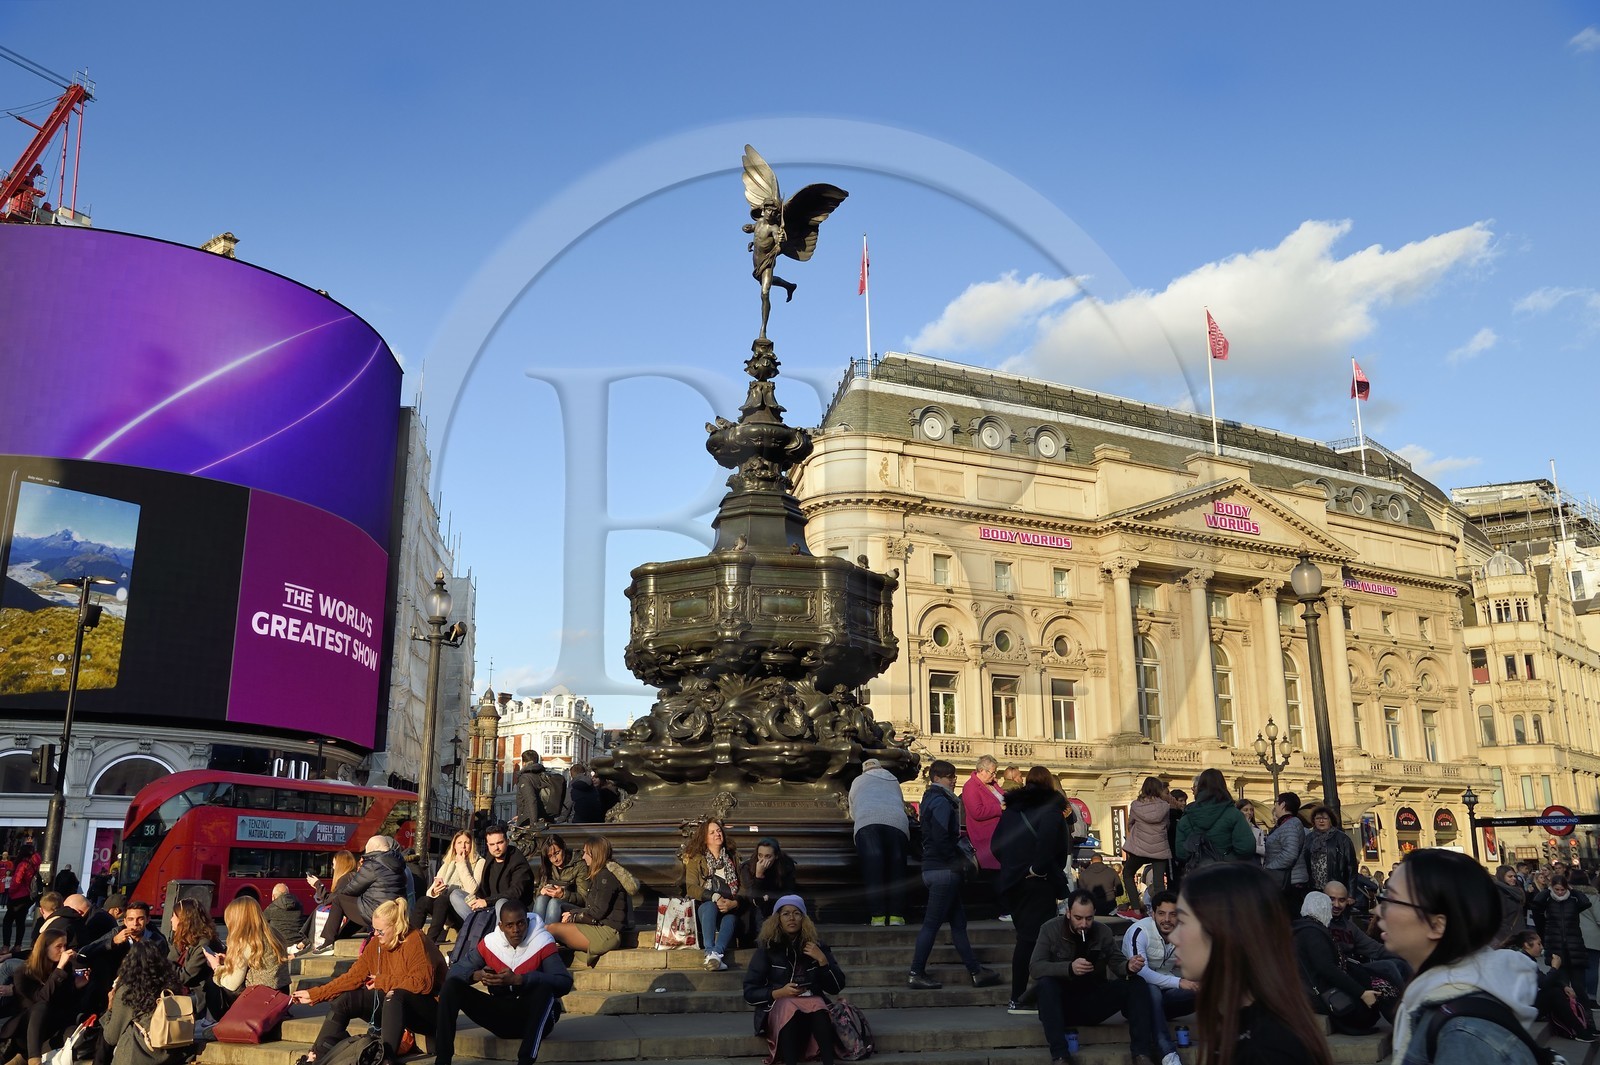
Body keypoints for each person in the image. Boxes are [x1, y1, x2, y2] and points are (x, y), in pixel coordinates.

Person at [1381, 848, 1541, 1065]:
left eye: (1391, 899)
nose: (1377, 910)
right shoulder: (1434, 996)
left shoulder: (1465, 1035)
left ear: (1437, 925)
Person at [1170, 863, 1335, 1065]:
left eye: (1182, 921)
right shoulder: (1242, 1025)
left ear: (1226, 930)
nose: (1173, 937)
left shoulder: (1267, 1051)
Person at [290, 898, 445, 1065]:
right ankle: (316, 1056)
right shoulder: (376, 944)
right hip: (392, 1007)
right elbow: (353, 977)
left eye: (380, 931)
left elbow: (421, 983)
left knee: (395, 995)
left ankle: (385, 1059)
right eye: (374, 929)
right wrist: (316, 994)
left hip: (431, 1012)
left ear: (396, 927)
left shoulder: (415, 940)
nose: (376, 935)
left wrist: (383, 981)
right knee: (345, 1001)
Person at [432, 900, 572, 1065]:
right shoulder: (491, 943)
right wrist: (477, 975)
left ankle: (525, 1060)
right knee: (451, 987)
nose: (516, 930)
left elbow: (564, 982)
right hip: (501, 1014)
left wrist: (521, 979)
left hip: (534, 1017)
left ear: (527, 921)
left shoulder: (542, 941)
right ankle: (442, 1060)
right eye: (509, 925)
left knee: (545, 990)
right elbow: (453, 973)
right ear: (500, 926)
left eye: (520, 923)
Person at [1029, 889, 1159, 1065]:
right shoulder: (1050, 929)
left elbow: (1117, 963)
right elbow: (1035, 967)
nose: (1083, 924)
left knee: (1136, 983)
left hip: (1093, 999)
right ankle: (1060, 1056)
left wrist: (1129, 966)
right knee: (1046, 984)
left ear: (1094, 914)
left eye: (1089, 918)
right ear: (1068, 913)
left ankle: (1141, 1053)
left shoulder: (1102, 932)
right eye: (1078, 918)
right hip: (1060, 1005)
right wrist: (1069, 968)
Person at [907, 760, 1002, 991]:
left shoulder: (930, 799)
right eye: (949, 776)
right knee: (931, 924)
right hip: (943, 871)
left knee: (959, 923)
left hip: (936, 868)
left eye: (953, 775)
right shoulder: (941, 802)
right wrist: (956, 861)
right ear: (937, 778)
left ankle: (976, 971)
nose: (954, 779)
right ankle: (916, 972)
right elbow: (941, 837)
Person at [992, 765, 1070, 1013]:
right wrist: (1037, 868)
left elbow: (996, 846)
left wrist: (1013, 866)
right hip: (1038, 883)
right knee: (1034, 942)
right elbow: (1055, 846)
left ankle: (1025, 995)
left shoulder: (1012, 810)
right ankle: (1022, 997)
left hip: (1013, 883)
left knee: (1026, 939)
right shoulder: (1051, 812)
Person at [743, 896, 846, 1065]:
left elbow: (836, 987)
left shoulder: (816, 946)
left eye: (797, 913)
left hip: (811, 1011)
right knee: (788, 1004)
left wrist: (822, 961)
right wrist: (778, 993)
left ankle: (829, 1062)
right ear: (778, 919)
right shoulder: (767, 948)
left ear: (803, 919)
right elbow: (749, 992)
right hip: (777, 1010)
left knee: (818, 1004)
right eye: (786, 914)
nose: (791, 918)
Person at [1122, 891, 1196, 1065]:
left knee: (1206, 988)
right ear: (1152, 913)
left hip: (1166, 998)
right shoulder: (1140, 931)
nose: (1167, 919)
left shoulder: (1182, 933)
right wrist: (1179, 982)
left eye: (1172, 914)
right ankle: (1168, 1054)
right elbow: (1142, 973)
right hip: (1137, 999)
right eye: (1161, 914)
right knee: (1151, 990)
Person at [1292, 891, 1380, 1034]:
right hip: (1319, 995)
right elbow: (1327, 969)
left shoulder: (1302, 929)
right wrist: (1362, 993)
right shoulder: (1312, 932)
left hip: (1310, 992)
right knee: (1372, 1005)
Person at [305, 834, 408, 955]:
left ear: (372, 849)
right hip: (392, 911)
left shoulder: (373, 865)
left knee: (340, 900)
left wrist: (334, 892)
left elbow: (352, 889)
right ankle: (339, 937)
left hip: (376, 912)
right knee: (358, 905)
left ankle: (328, 943)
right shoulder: (397, 864)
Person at [0, 929, 86, 1065]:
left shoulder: (64, 970)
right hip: (25, 1031)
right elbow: (42, 999)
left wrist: (76, 987)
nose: (63, 950)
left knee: (75, 1034)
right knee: (41, 1006)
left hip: (51, 1027)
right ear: (45, 948)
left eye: (65, 945)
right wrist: (60, 968)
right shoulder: (24, 973)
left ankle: (23, 1059)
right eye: (58, 946)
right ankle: (33, 1060)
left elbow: (65, 1005)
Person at [100, 941, 191, 1065]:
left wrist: (110, 1008)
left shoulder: (128, 991)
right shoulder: (173, 988)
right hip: (172, 1055)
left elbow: (111, 1037)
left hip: (136, 1057)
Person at [201, 896, 288, 1021]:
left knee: (213, 981)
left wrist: (216, 967)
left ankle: (213, 1020)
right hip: (280, 994)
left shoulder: (246, 940)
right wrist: (228, 961)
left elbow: (232, 984)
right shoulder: (274, 934)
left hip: (257, 1000)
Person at [1502, 930, 1597, 1041]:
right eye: (1538, 944)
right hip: (1520, 1009)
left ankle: (1582, 1027)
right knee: (1554, 993)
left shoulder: (1523, 957)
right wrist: (1555, 967)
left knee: (1557, 990)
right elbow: (1544, 983)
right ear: (1527, 945)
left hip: (1524, 1003)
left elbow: (1542, 978)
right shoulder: (1520, 959)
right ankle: (1580, 1031)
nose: (1542, 947)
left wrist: (1564, 986)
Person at [848, 758, 909, 927]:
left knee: (873, 869)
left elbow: (852, 808)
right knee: (897, 869)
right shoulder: (893, 779)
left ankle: (878, 917)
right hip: (897, 824)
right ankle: (897, 916)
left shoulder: (858, 780)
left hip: (868, 823)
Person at [79, 900, 169, 1015]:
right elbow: (84, 952)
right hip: (110, 988)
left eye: (140, 919)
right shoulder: (117, 932)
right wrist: (113, 942)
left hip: (142, 991)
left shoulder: (157, 941)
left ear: (147, 920)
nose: (135, 923)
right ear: (125, 921)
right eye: (131, 919)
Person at [546, 837, 628, 959]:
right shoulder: (599, 874)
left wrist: (573, 914)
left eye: (586, 853)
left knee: (550, 929)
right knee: (549, 930)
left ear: (595, 854)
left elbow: (598, 911)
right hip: (598, 927)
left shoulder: (605, 877)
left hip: (607, 932)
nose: (583, 857)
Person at [681, 818, 746, 971]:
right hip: (705, 909)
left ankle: (715, 954)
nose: (717, 834)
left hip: (728, 907)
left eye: (718, 831)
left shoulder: (732, 858)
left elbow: (743, 887)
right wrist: (713, 896)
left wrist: (734, 903)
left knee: (731, 919)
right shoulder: (696, 859)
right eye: (712, 832)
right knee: (709, 906)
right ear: (705, 838)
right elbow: (690, 887)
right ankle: (710, 950)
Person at [1323, 880, 1409, 989]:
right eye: (1331, 899)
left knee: (1402, 964)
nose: (1336, 905)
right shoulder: (1316, 924)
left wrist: (1409, 955)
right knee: (1389, 967)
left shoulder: (1349, 926)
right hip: (1336, 973)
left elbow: (1376, 949)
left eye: (1341, 900)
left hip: (1354, 968)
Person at [1531, 874, 1593, 1011]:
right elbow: (1535, 903)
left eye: (1562, 889)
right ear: (1552, 888)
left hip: (1575, 946)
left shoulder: (1573, 900)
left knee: (1579, 988)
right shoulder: (1547, 900)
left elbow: (1586, 902)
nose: (1560, 892)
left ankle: (1588, 1022)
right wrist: (1548, 890)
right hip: (1556, 948)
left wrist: (1573, 890)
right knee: (1563, 987)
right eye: (1557, 889)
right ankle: (1570, 1022)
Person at [1172, 768, 1255, 869]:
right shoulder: (1234, 814)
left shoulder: (1187, 817)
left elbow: (1181, 853)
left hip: (1197, 874)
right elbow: (1246, 848)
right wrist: (1227, 859)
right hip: (1227, 872)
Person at [1122, 777, 1178, 918]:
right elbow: (1167, 825)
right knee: (1159, 884)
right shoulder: (1165, 806)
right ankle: (1160, 913)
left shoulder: (1136, 805)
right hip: (1159, 849)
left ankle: (1136, 909)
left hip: (1140, 849)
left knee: (1128, 874)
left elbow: (1130, 824)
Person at [417, 831, 484, 943]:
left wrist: (462, 864)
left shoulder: (479, 862)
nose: (463, 846)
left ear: (471, 845)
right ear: (454, 845)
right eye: (459, 843)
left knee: (443, 900)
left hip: (462, 908)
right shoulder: (448, 863)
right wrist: (435, 891)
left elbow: (472, 889)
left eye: (466, 843)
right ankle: (410, 936)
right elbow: (430, 892)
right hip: (443, 907)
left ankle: (430, 941)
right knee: (423, 901)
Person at [960, 755, 1006, 905]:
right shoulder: (971, 786)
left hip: (1000, 833)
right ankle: (1003, 907)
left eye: (995, 772)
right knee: (994, 872)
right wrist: (999, 808)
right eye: (992, 772)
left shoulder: (993, 784)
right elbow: (977, 812)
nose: (995, 776)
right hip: (985, 835)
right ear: (981, 770)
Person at [469, 824, 535, 914]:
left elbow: (515, 892)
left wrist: (487, 901)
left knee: (501, 903)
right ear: (488, 845)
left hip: (512, 909)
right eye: (492, 844)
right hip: (489, 908)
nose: (496, 848)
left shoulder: (517, 859)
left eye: (500, 843)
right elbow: (483, 888)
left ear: (507, 842)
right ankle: (474, 924)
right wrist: (477, 900)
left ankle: (495, 928)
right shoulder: (489, 858)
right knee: (456, 895)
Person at [531, 834, 590, 928]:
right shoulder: (548, 866)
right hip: (550, 905)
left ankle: (548, 937)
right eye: (550, 856)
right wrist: (542, 891)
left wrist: (563, 894)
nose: (555, 859)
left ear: (563, 848)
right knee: (541, 899)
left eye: (557, 853)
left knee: (554, 903)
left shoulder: (579, 864)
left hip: (574, 907)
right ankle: (534, 933)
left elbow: (584, 898)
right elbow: (539, 892)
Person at [165, 897, 220, 997]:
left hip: (200, 997)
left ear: (184, 920)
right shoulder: (182, 939)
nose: (171, 920)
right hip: (182, 992)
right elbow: (171, 963)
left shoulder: (204, 944)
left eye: (174, 916)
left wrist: (161, 961)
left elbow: (184, 977)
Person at [738, 837, 799, 922]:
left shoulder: (786, 865)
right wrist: (759, 876)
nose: (763, 860)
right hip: (757, 910)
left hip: (779, 907)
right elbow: (753, 899)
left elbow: (788, 892)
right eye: (760, 855)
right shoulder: (747, 867)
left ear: (776, 856)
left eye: (768, 856)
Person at [1264, 792, 1308, 904]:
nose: (1275, 807)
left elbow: (1290, 854)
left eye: (1276, 803)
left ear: (1283, 804)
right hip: (1286, 880)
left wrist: (1269, 868)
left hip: (1290, 882)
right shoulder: (1286, 824)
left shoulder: (1291, 824)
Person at [1301, 806, 1357, 894]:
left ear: (1331, 821)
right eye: (1318, 818)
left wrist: (1351, 893)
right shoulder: (1308, 838)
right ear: (1313, 821)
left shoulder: (1342, 839)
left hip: (1336, 888)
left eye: (1325, 818)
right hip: (1313, 888)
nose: (1321, 821)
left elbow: (1351, 866)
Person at [515, 750, 566, 829]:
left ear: (523, 763)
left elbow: (531, 800)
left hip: (530, 821)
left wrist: (533, 823)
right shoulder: (544, 776)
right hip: (547, 819)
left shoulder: (525, 778)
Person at [2, 846, 36, 953]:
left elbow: (17, 880)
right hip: (26, 895)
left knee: (7, 921)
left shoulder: (22, 864)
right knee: (20, 922)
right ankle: (18, 946)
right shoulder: (32, 865)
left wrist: (11, 892)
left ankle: (6, 946)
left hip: (17, 896)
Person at [261, 884, 305, 953]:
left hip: (278, 946)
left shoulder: (271, 908)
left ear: (273, 897)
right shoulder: (299, 906)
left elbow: (261, 925)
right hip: (297, 946)